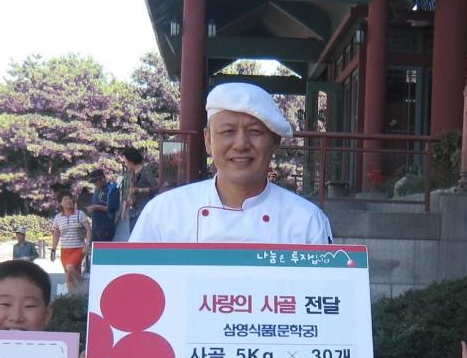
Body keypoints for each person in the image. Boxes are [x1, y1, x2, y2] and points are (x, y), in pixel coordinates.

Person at [128, 82, 332, 244]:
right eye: (228, 131)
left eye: (255, 132)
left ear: (275, 141)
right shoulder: (163, 213)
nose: (241, 144)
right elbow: (133, 285)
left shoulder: (307, 221)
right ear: (208, 140)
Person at [50, 192, 92, 292]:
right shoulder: (58, 218)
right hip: (65, 250)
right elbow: (56, 235)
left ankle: (84, 285)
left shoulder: (80, 214)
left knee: (70, 268)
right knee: (68, 277)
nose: (69, 201)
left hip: (78, 248)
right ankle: (74, 300)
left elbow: (89, 230)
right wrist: (53, 249)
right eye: (65, 199)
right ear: (61, 203)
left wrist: (87, 245)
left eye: (70, 198)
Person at [116, 146, 156, 241]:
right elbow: (127, 192)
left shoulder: (146, 171)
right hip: (133, 211)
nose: (125, 164)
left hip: (144, 210)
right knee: (134, 238)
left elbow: (156, 187)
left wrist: (140, 190)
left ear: (131, 160)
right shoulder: (129, 174)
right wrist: (124, 209)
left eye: (125, 161)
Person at [88, 168, 120, 244]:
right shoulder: (96, 190)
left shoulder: (112, 189)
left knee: (104, 250)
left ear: (102, 179)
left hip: (106, 226)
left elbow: (113, 208)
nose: (95, 184)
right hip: (96, 225)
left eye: (96, 182)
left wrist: (96, 207)